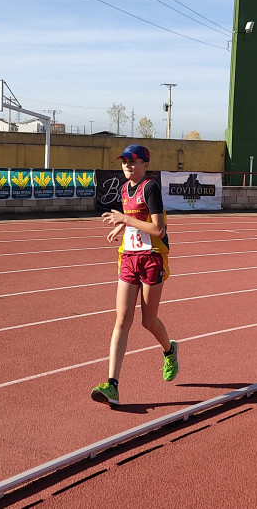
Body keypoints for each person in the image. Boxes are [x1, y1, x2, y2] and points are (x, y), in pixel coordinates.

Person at [91, 144, 178, 406]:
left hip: (152, 259)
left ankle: (170, 350)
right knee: (121, 321)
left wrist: (126, 221)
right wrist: (121, 227)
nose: (128, 165)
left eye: (133, 161)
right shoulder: (123, 189)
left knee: (148, 321)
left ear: (145, 165)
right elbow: (133, 219)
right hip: (129, 257)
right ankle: (112, 385)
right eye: (124, 162)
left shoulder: (150, 188)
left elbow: (158, 229)